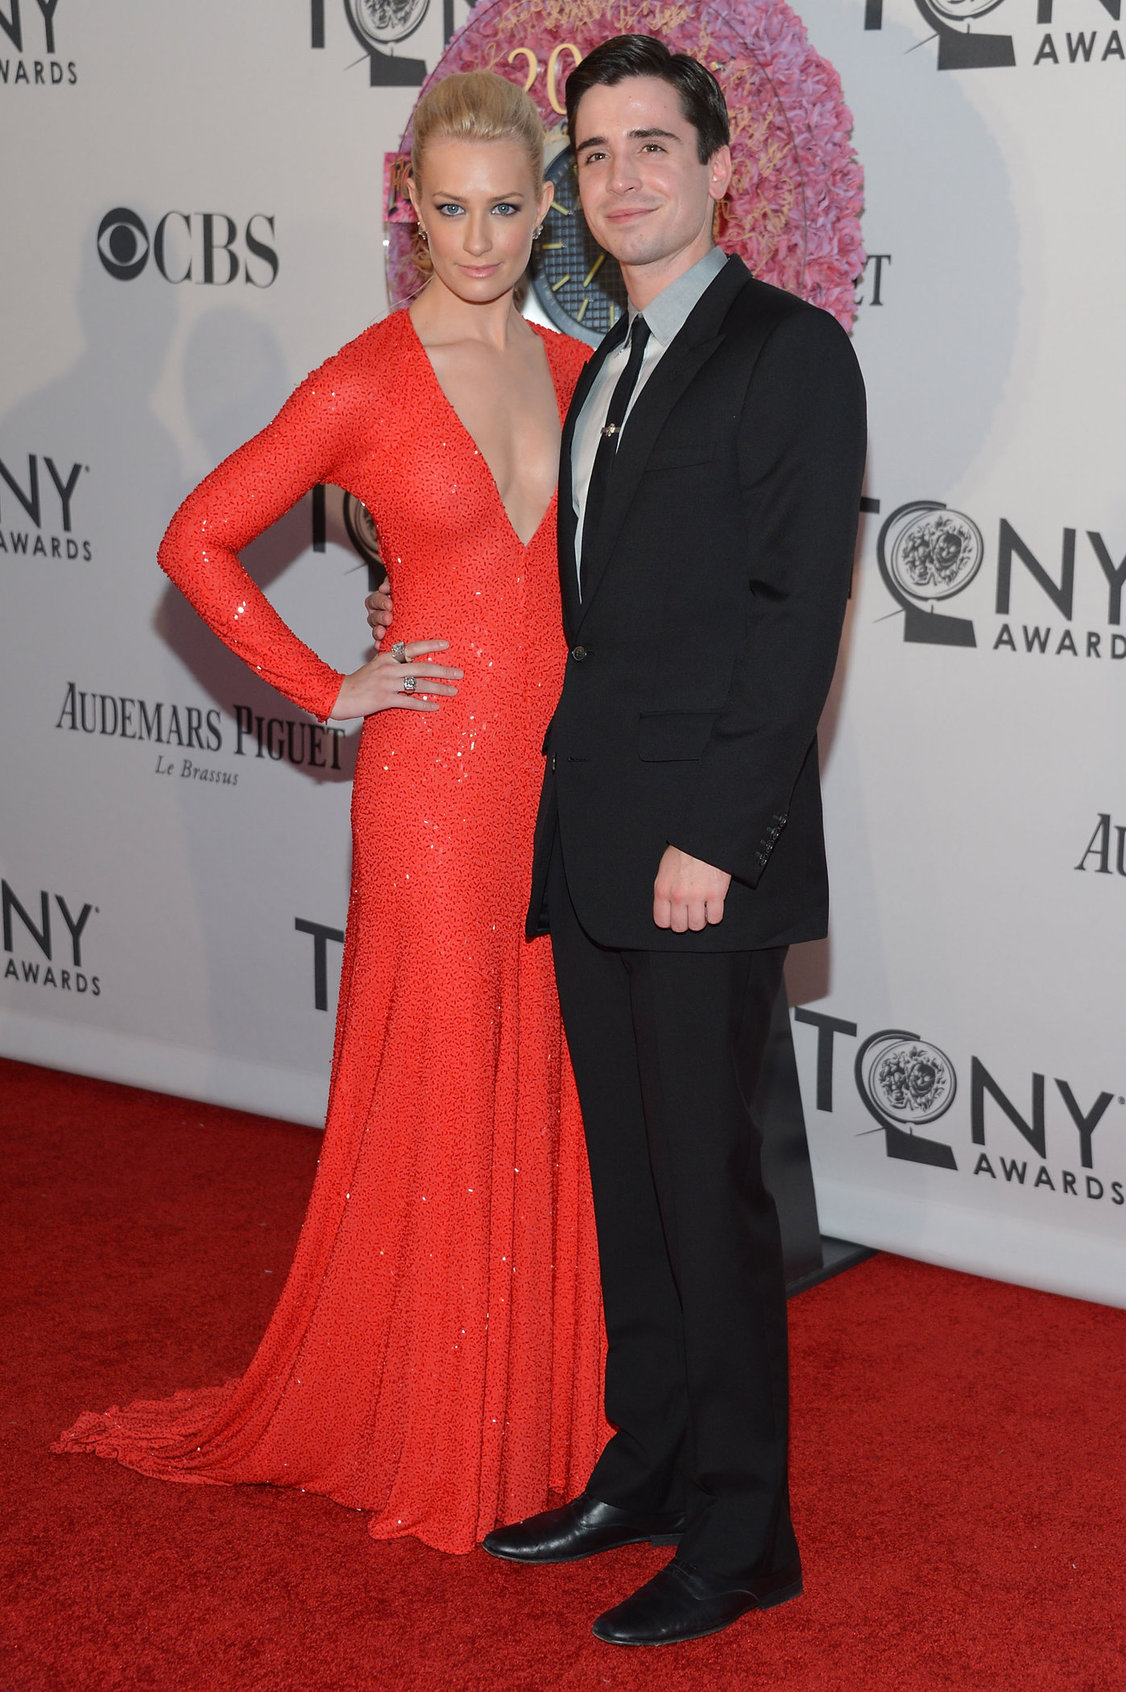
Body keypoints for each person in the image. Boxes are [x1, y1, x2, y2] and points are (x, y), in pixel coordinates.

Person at [54, 70, 609, 1557]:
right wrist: (329, 681)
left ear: (544, 206)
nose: (477, 238)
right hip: (433, 791)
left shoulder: (579, 373)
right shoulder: (363, 378)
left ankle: (545, 1411)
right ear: (405, 203)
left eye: (504, 208)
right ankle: (431, 1417)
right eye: (448, 208)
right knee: (439, 1080)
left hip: (565, 780)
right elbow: (197, 535)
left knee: (547, 1079)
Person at [477, 36, 867, 1646]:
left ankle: (744, 1529)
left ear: (720, 167)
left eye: (654, 144)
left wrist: (717, 833)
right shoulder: (604, 365)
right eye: (595, 150)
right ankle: (643, 1469)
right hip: (592, 845)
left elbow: (792, 623)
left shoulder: (790, 352)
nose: (621, 175)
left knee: (712, 1204)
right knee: (632, 1191)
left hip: (701, 853)